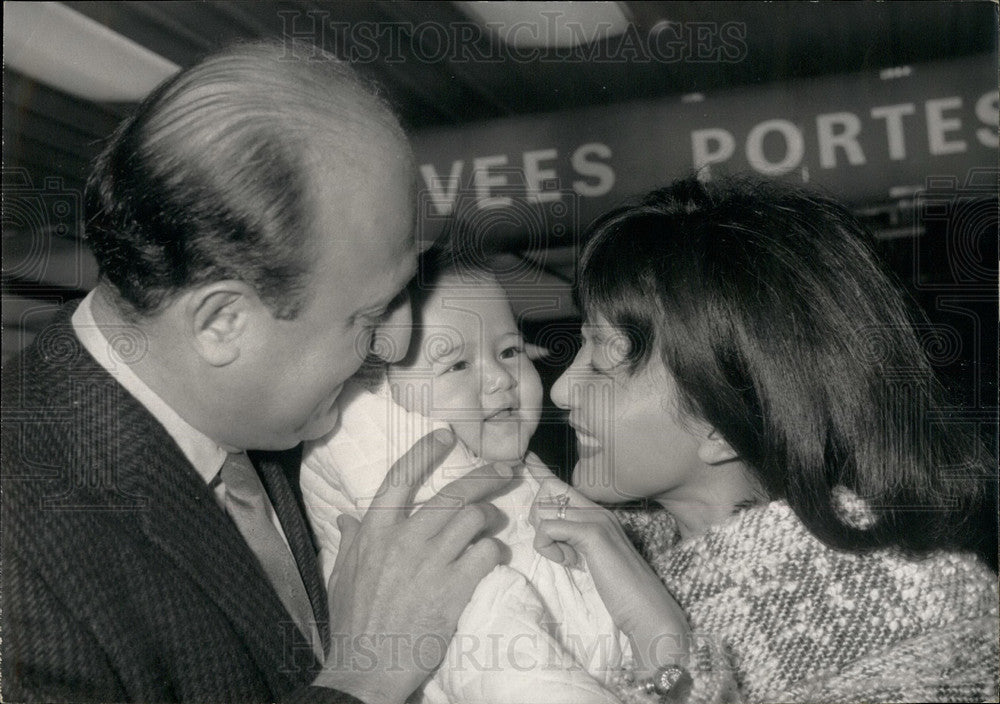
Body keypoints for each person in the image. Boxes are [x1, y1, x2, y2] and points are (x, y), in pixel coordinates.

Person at [1, 40, 514, 704]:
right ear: (221, 323)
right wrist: (362, 677)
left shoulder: (274, 424)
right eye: (370, 312)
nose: (396, 342)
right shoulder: (20, 549)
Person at [527, 175, 999, 703]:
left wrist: (667, 657)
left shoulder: (924, 606)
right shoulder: (578, 566)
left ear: (720, 419)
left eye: (605, 359)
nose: (564, 389)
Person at [300, 246, 629, 703]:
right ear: (379, 394)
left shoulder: (520, 473)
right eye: (456, 364)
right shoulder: (419, 507)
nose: (499, 377)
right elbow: (501, 660)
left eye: (510, 349)